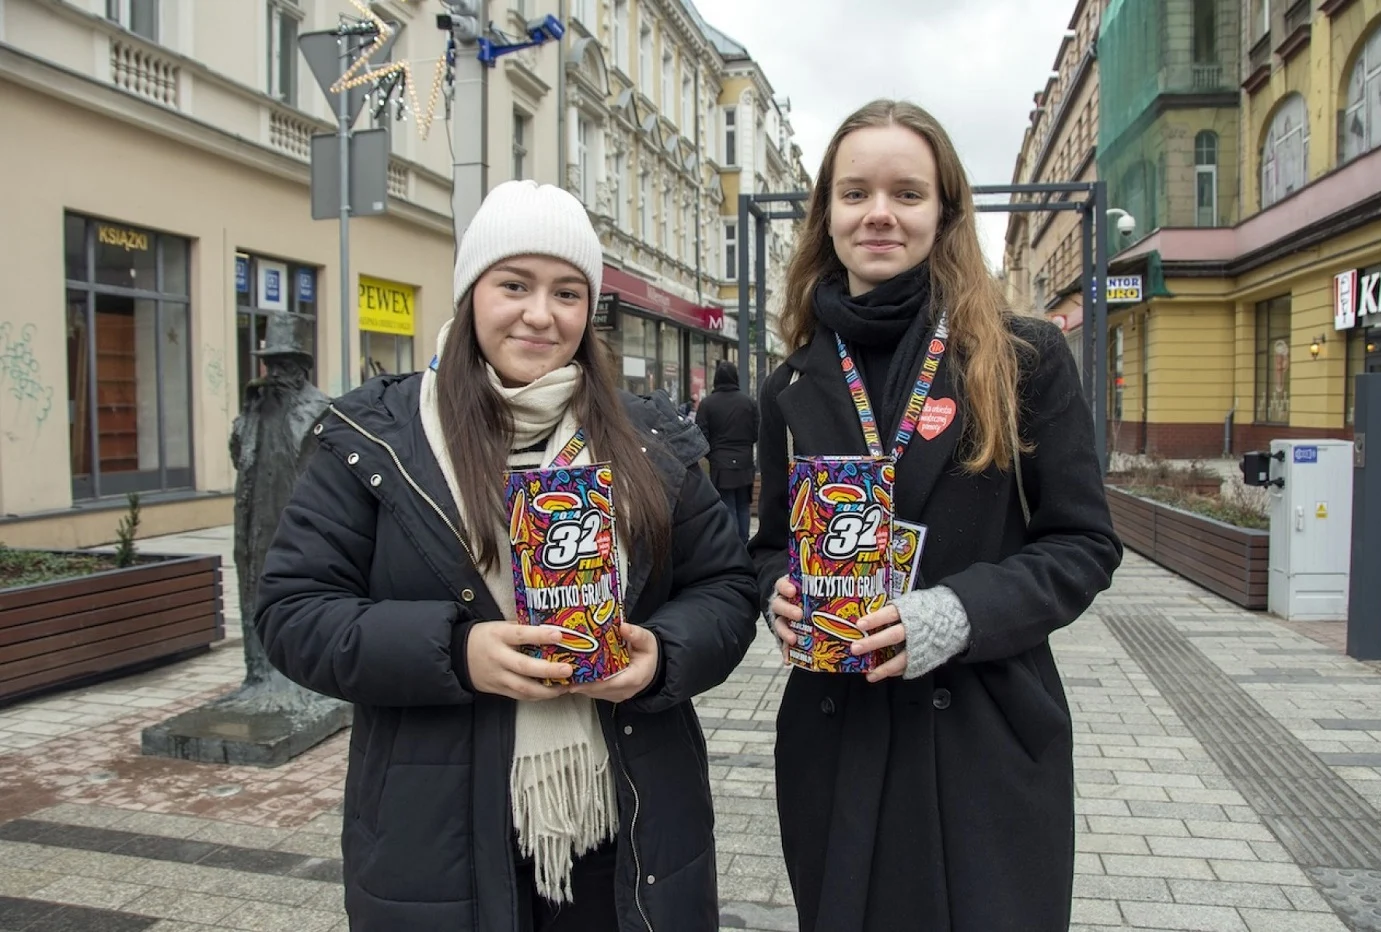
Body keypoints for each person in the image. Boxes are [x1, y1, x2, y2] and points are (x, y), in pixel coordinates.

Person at [255, 180, 759, 932]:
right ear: (470, 294)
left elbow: (725, 588)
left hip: (628, 823)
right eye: (513, 285)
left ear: (589, 311)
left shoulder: (650, 438)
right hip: (436, 833)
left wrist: (663, 655)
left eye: (566, 292)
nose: (540, 314)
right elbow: (293, 612)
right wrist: (456, 654)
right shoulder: (375, 438)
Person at [749, 100, 1123, 931]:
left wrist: (953, 614)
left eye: (907, 194)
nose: (879, 213)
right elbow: (770, 542)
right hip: (838, 733)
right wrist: (776, 588)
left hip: (980, 734)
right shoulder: (792, 384)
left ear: (945, 213)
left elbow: (1084, 544)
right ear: (827, 217)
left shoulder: (1019, 356)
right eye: (854, 194)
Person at [695, 360, 759, 540]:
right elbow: (756, 433)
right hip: (745, 463)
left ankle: (733, 547)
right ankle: (745, 545)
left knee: (727, 505)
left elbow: (700, 436)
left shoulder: (707, 404)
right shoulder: (749, 403)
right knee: (743, 506)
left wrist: (713, 456)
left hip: (721, 466)